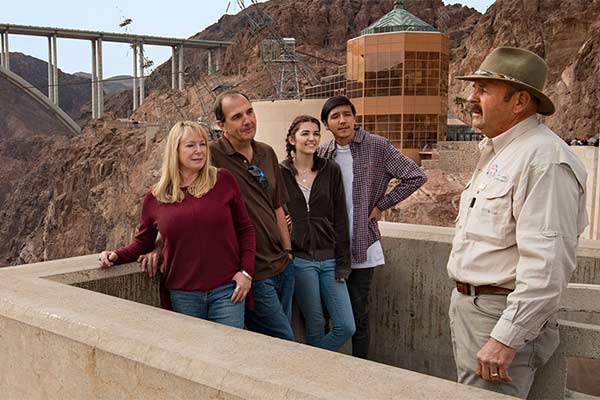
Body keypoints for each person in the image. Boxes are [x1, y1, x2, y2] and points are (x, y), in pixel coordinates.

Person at [447, 47, 588, 398]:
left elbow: (548, 265)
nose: (471, 98)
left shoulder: (545, 161)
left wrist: (505, 338)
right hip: (477, 312)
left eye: (484, 89)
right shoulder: (501, 151)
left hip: (499, 319)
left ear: (520, 101)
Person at [98, 121, 255, 328]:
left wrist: (246, 273)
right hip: (184, 294)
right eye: (191, 145)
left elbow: (246, 230)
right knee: (191, 356)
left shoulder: (223, 180)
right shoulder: (156, 197)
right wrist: (115, 255)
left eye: (202, 144)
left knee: (227, 355)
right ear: (175, 151)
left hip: (227, 291)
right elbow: (142, 243)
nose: (199, 151)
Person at [318, 95, 427, 358]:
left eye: (347, 114)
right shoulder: (323, 152)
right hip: (329, 248)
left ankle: (360, 369)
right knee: (325, 313)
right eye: (335, 116)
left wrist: (382, 205)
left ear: (355, 118)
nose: (342, 121)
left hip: (362, 245)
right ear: (326, 124)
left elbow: (415, 176)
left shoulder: (377, 146)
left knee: (359, 313)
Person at [210, 90, 296, 341]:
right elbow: (177, 198)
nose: (247, 121)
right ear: (221, 125)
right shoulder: (212, 157)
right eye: (236, 117)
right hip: (252, 273)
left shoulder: (267, 153)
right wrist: (159, 244)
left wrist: (288, 253)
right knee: (285, 342)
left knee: (269, 345)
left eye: (250, 112)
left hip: (283, 266)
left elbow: (277, 205)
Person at [280, 115, 355, 351]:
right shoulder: (280, 173)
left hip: (331, 259)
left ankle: (313, 363)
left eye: (316, 133)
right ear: (292, 139)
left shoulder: (329, 170)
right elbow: (270, 210)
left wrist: (344, 264)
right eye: (305, 133)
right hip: (300, 261)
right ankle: (316, 375)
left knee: (345, 325)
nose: (311, 138)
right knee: (314, 324)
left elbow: (341, 218)